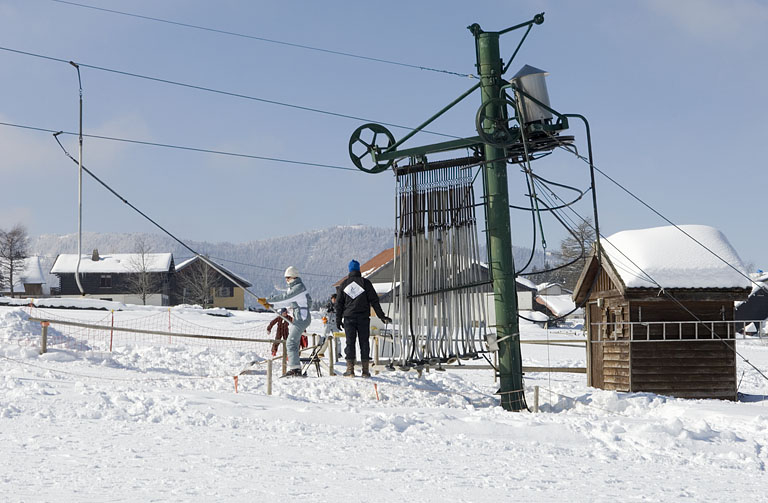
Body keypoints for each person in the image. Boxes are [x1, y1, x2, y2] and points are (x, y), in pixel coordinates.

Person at [336, 259, 391, 378]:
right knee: (364, 342)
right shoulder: (366, 283)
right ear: (359, 270)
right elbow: (374, 301)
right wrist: (381, 316)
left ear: (349, 270)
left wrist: (338, 319)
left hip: (349, 318)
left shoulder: (344, 284)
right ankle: (365, 371)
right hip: (363, 318)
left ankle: (350, 370)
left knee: (350, 343)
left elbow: (339, 304)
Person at [258, 266, 312, 377]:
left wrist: (268, 300)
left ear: (293, 277)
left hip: (301, 318)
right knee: (293, 342)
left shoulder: (298, 288)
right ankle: (295, 368)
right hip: (299, 318)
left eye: (288, 277)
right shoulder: (295, 288)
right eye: (285, 278)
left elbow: (285, 297)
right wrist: (271, 305)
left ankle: (295, 369)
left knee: (291, 342)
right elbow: (287, 302)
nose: (286, 280)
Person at [322, 293, 342, 359]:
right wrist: (327, 310)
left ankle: (338, 353)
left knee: (337, 339)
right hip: (328, 324)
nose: (334, 300)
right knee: (324, 337)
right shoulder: (328, 305)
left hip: (335, 324)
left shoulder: (339, 305)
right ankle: (321, 351)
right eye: (333, 299)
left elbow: (341, 313)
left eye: (335, 299)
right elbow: (323, 313)